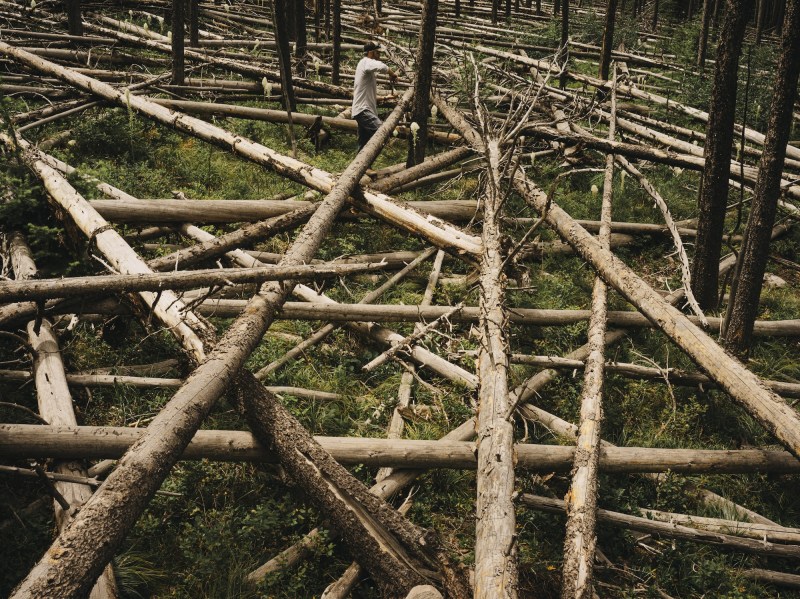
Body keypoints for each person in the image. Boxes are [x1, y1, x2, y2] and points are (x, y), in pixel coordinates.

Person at [352, 42, 398, 150]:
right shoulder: (365, 62)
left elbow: (368, 95)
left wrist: (386, 98)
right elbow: (382, 67)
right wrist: (393, 74)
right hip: (363, 110)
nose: (379, 56)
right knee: (381, 133)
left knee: (364, 144)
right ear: (371, 53)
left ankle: (362, 166)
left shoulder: (366, 69)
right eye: (378, 53)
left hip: (363, 110)